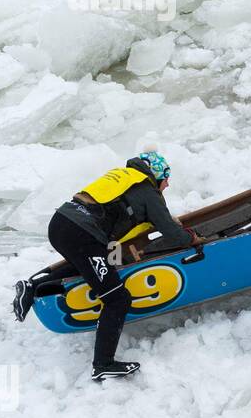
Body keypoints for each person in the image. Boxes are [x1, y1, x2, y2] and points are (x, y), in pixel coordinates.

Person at [12, 152, 198, 382]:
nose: (168, 184)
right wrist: (192, 239)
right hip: (82, 233)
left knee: (91, 264)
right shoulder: (148, 190)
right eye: (166, 177)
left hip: (61, 223)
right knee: (117, 299)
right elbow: (173, 233)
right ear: (157, 176)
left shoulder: (124, 176)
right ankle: (103, 364)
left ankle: (32, 286)